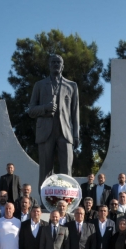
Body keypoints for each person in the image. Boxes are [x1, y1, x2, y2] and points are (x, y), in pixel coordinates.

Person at [28, 54, 79, 189]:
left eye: (59, 62)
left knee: (67, 169)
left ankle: (66, 200)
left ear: (63, 66)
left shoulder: (72, 86)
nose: (56, 64)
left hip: (65, 132)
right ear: (49, 65)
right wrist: (45, 108)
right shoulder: (39, 85)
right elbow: (31, 110)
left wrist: (76, 135)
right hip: (45, 131)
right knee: (45, 169)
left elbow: (75, 113)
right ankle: (45, 202)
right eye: (53, 62)